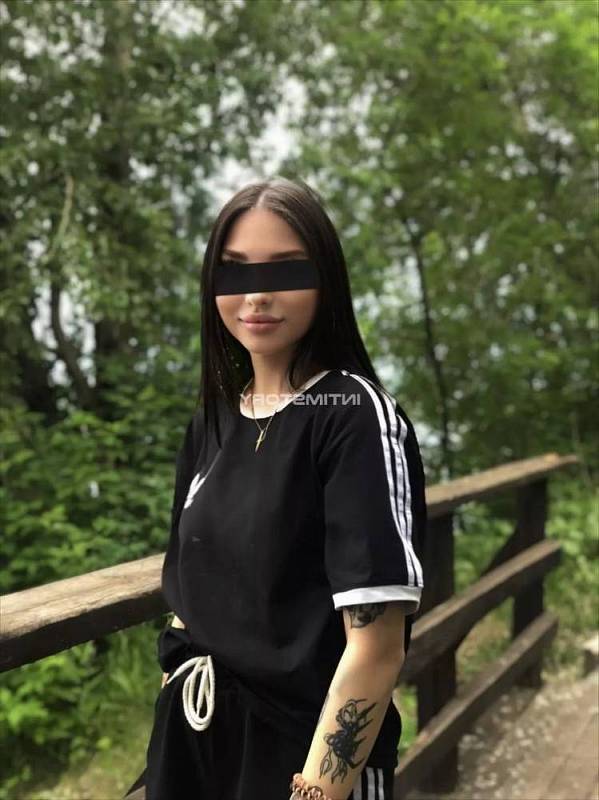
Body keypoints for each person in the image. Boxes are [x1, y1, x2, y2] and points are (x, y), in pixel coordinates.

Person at [124, 177, 426, 800]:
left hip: (303, 755)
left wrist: (315, 790)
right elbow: (191, 593)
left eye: (285, 269)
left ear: (325, 279)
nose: (256, 294)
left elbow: (376, 648)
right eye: (235, 271)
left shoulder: (351, 415)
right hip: (195, 746)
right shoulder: (213, 422)